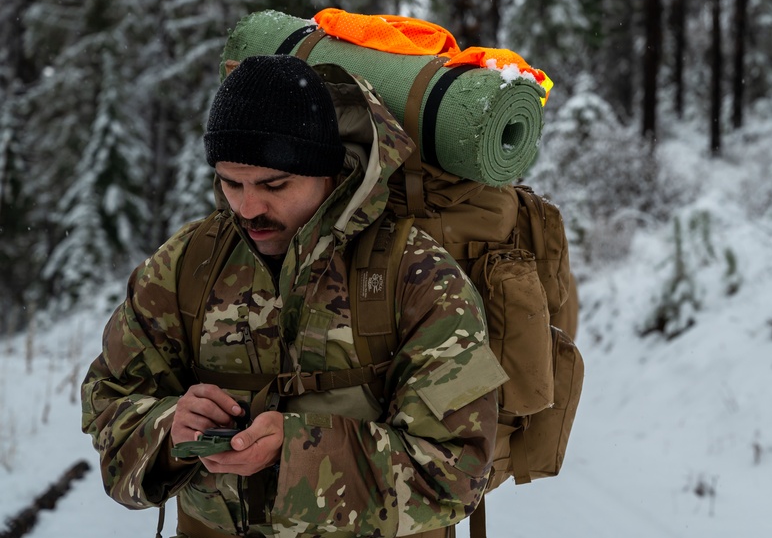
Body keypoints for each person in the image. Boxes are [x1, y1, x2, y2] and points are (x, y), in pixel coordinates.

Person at [81, 55, 507, 538]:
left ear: (327, 172)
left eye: (274, 185)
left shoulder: (419, 276)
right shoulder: (185, 265)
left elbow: (457, 473)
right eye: (229, 181)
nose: (247, 207)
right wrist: (168, 429)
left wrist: (299, 452)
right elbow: (107, 404)